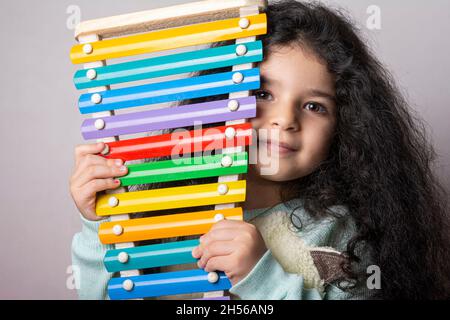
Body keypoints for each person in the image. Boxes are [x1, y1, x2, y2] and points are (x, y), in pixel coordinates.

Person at [70, 0, 450, 300]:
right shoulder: (166, 208)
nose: (284, 120)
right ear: (221, 99)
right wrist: (101, 224)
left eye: (314, 106)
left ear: (345, 126)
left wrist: (261, 278)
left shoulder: (340, 234)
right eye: (263, 93)